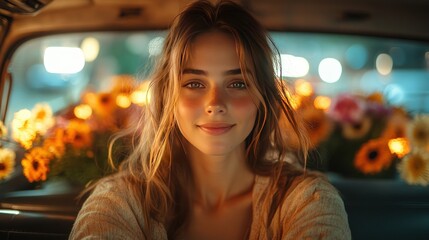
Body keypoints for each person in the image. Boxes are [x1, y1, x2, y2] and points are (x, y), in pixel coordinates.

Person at [69, 0, 351, 239]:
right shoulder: (119, 203)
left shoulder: (309, 202)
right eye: (194, 83)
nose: (215, 104)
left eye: (237, 83)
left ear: (262, 97)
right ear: (168, 97)